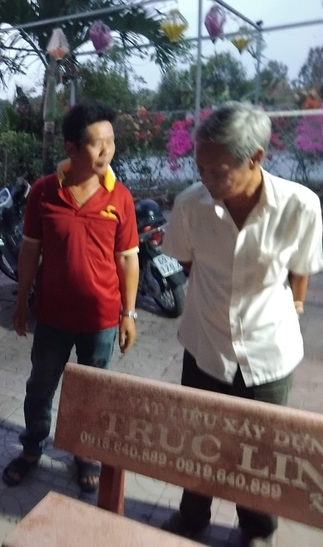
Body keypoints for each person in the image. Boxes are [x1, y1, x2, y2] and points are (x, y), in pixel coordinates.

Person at [161, 101, 323, 546]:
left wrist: (296, 304)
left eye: (219, 172)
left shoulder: (299, 206)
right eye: (200, 169)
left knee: (260, 453)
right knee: (199, 442)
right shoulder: (191, 205)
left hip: (268, 354)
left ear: (256, 158)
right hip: (206, 345)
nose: (206, 180)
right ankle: (192, 517)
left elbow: (302, 267)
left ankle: (256, 530)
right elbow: (187, 262)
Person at [2, 100, 140, 491]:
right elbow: (29, 250)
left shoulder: (120, 197)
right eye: (97, 143)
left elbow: (128, 259)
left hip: (100, 320)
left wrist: (129, 314)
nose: (107, 150)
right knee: (40, 387)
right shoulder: (44, 192)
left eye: (111, 141)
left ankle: (85, 453)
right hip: (52, 316)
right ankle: (32, 447)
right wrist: (21, 301)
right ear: (72, 148)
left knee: (91, 393)